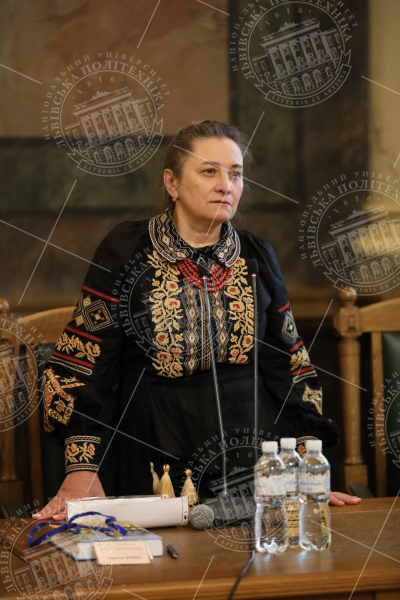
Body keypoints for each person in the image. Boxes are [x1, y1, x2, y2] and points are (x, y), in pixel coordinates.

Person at [33, 120, 361, 521]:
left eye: (235, 174)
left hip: (252, 456)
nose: (226, 185)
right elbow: (85, 361)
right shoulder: (126, 250)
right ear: (171, 183)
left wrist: (307, 470)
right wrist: (81, 470)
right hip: (153, 452)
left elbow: (290, 366)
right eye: (209, 171)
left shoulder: (256, 255)